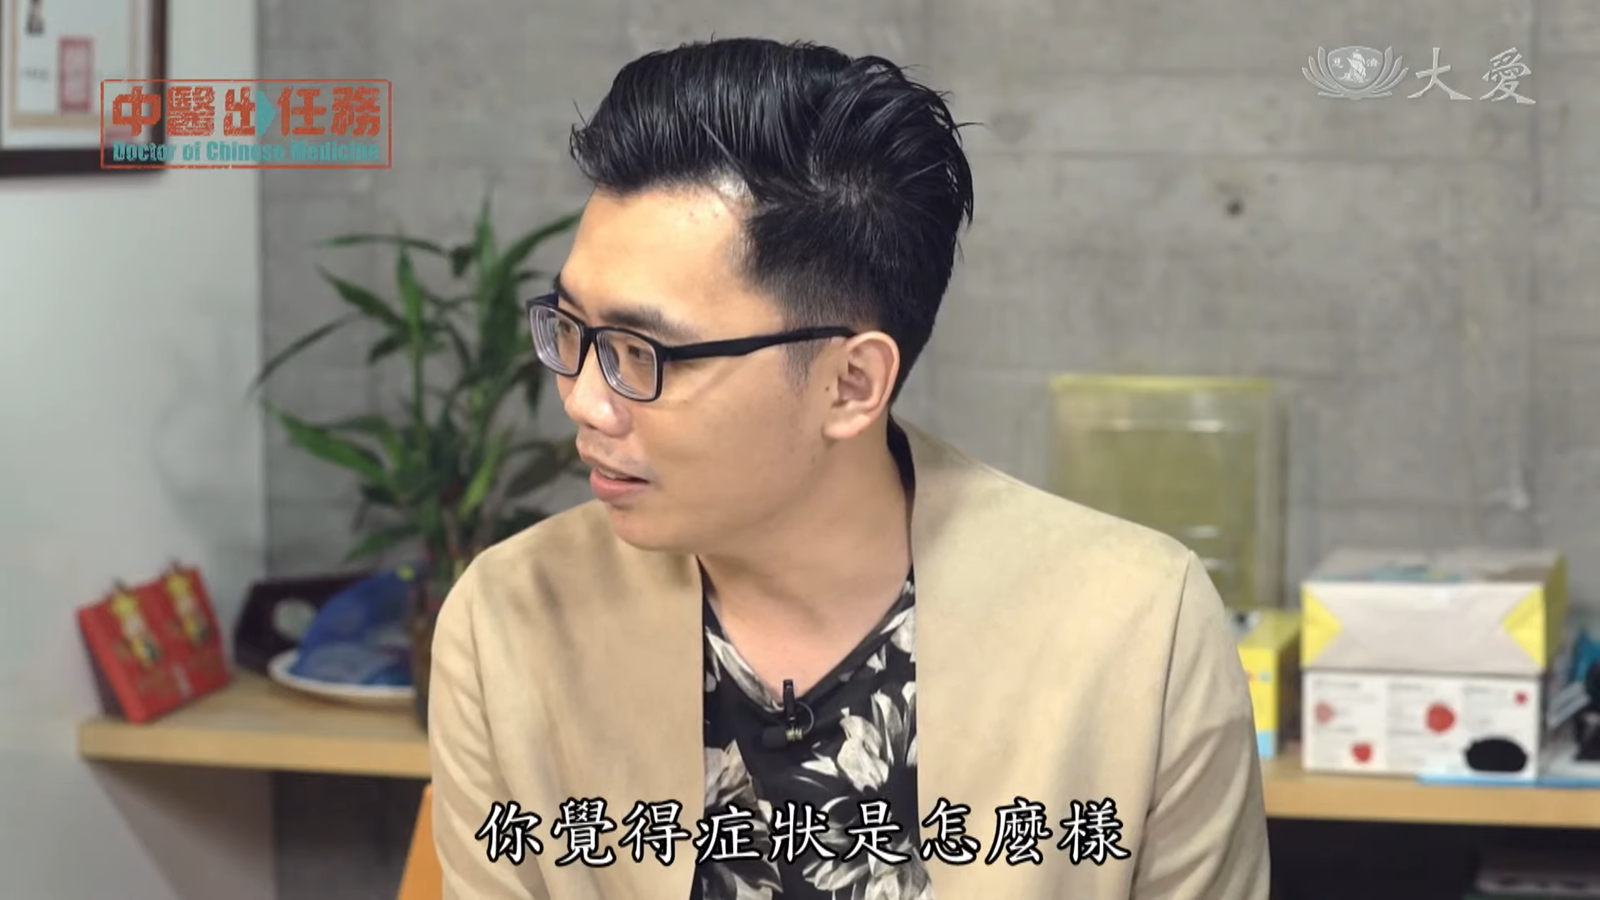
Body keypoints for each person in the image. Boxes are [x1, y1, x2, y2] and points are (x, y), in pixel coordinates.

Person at [428, 37, 1270, 900]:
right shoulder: (511, 622)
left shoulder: (1137, 629)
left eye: (643, 353)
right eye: (572, 329)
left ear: (851, 384)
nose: (584, 400)